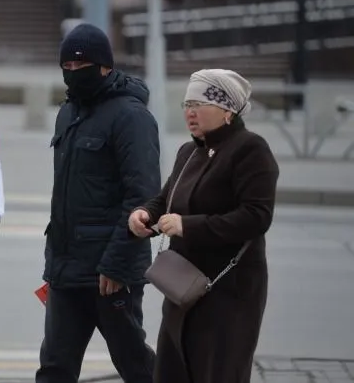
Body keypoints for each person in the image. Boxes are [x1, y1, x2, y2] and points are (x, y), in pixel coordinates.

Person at [128, 69, 280, 383]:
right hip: (184, 287)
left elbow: (256, 216)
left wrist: (188, 226)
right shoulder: (189, 151)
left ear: (228, 111)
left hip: (228, 291)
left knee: (217, 372)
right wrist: (144, 214)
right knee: (173, 370)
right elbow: (166, 198)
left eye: (199, 103)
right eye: (186, 104)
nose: (190, 112)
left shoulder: (250, 149)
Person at [36, 23, 160, 383]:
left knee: (134, 364)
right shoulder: (68, 113)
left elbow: (143, 197)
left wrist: (116, 265)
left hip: (111, 274)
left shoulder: (131, 117)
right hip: (65, 270)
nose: (73, 74)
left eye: (81, 67)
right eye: (67, 68)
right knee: (55, 368)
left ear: (105, 66)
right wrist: (54, 260)